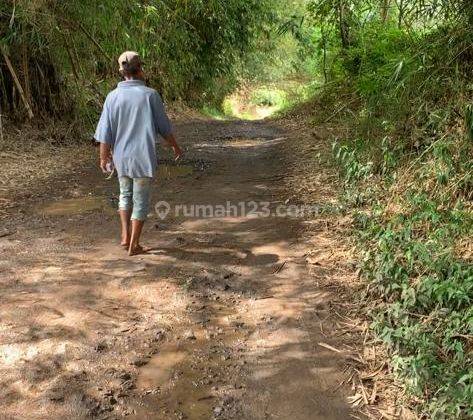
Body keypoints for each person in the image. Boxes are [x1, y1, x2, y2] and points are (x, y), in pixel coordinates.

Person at [94, 51, 182, 256]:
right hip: (143, 156)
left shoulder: (112, 97)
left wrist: (103, 157)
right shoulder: (150, 95)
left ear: (121, 72)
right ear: (140, 70)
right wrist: (175, 146)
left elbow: (104, 133)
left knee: (124, 195)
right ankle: (134, 245)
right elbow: (163, 128)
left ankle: (125, 237)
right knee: (140, 200)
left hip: (121, 157)